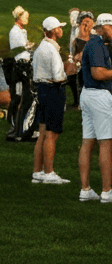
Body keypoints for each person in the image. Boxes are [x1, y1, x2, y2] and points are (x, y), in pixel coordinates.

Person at [78, 13, 112, 203]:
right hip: (98, 96)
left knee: (88, 141)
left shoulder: (95, 44)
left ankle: (86, 189)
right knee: (106, 143)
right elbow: (98, 73)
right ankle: (107, 191)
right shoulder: (96, 45)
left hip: (88, 94)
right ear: (103, 27)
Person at [31, 16, 71, 185]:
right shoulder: (51, 50)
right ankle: (49, 172)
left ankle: (38, 171)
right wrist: (71, 67)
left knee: (42, 133)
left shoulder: (41, 47)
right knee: (52, 134)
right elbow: (58, 77)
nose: (61, 30)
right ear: (54, 31)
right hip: (53, 91)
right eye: (59, 28)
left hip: (42, 90)